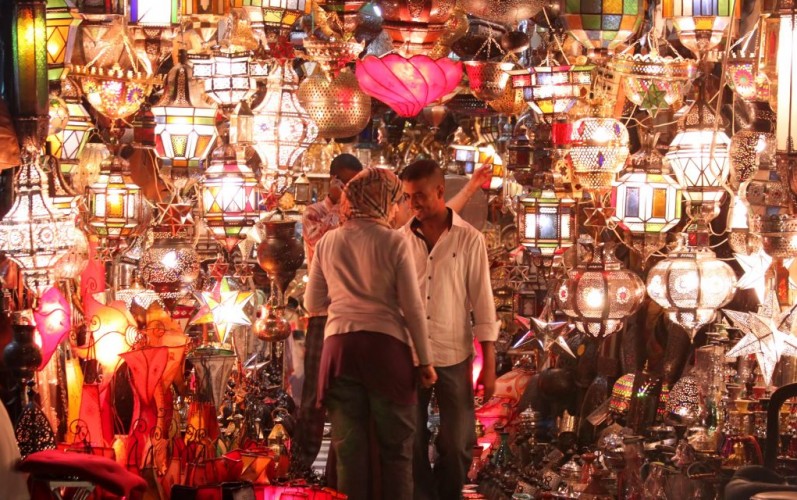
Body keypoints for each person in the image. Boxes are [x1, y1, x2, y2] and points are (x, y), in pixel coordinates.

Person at [305, 168, 437, 500]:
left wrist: (345, 300)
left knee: (350, 454)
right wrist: (425, 361)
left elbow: (313, 303)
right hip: (385, 351)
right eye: (396, 202)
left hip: (339, 351)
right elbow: (412, 307)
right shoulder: (394, 241)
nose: (397, 210)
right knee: (396, 453)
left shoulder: (329, 241)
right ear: (381, 201)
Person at [399, 159, 499, 500]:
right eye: (408, 197)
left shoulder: (470, 240)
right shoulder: (399, 241)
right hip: (408, 356)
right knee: (408, 441)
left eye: (420, 196)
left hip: (453, 354)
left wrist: (490, 367)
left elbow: (483, 303)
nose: (413, 205)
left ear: (440, 192)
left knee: (458, 443)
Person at [293, 154, 363, 472]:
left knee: (348, 391)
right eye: (346, 183)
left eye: (355, 184)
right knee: (314, 394)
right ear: (334, 180)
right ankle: (302, 463)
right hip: (322, 312)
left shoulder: (359, 214)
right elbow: (321, 239)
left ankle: (339, 467)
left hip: (352, 311)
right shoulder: (314, 212)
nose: (351, 189)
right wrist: (340, 206)